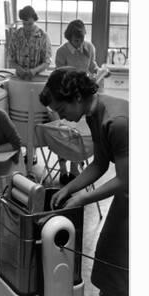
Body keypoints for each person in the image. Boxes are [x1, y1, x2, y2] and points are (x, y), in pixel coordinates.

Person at [39, 68, 129, 296]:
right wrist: (69, 188)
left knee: (127, 256)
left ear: (77, 97)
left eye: (62, 109)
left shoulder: (117, 121)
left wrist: (82, 199)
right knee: (109, 254)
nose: (62, 116)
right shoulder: (91, 114)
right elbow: (99, 165)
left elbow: (125, 178)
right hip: (129, 189)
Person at [54, 19, 100, 184]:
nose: (79, 43)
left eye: (81, 39)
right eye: (76, 40)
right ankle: (62, 169)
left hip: (83, 97)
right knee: (64, 133)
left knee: (79, 132)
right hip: (67, 97)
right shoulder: (61, 52)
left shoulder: (89, 47)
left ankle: (75, 167)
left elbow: (92, 65)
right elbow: (58, 75)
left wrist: (98, 71)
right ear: (69, 38)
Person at [8, 5, 52, 80]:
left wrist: (34, 71)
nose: (27, 27)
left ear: (34, 20)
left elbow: (47, 62)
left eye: (30, 24)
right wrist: (18, 68)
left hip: (38, 78)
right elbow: (11, 59)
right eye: (24, 24)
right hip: (20, 78)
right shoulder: (16, 36)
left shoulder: (43, 36)